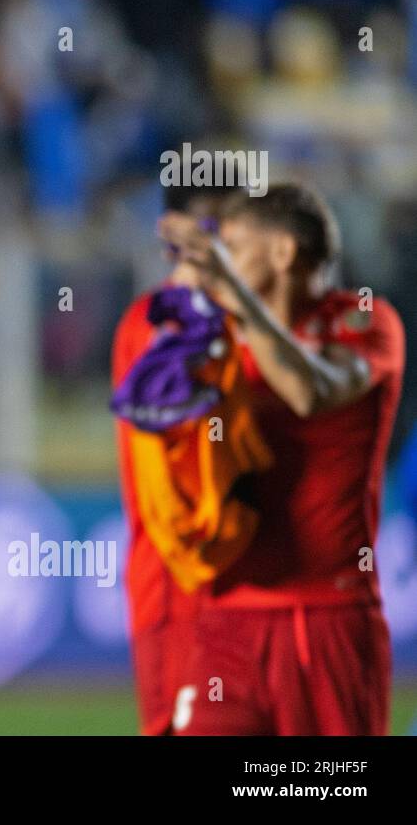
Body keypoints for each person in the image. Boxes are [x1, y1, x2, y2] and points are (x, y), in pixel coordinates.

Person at [159, 183, 403, 735]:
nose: (226, 263)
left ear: (284, 253)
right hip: (227, 618)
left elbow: (309, 391)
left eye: (236, 248)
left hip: (326, 619)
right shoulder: (216, 333)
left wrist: (236, 302)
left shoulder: (364, 321)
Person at [111, 181, 267, 735]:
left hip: (255, 580)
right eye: (214, 230)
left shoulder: (255, 321)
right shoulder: (155, 324)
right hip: (181, 580)